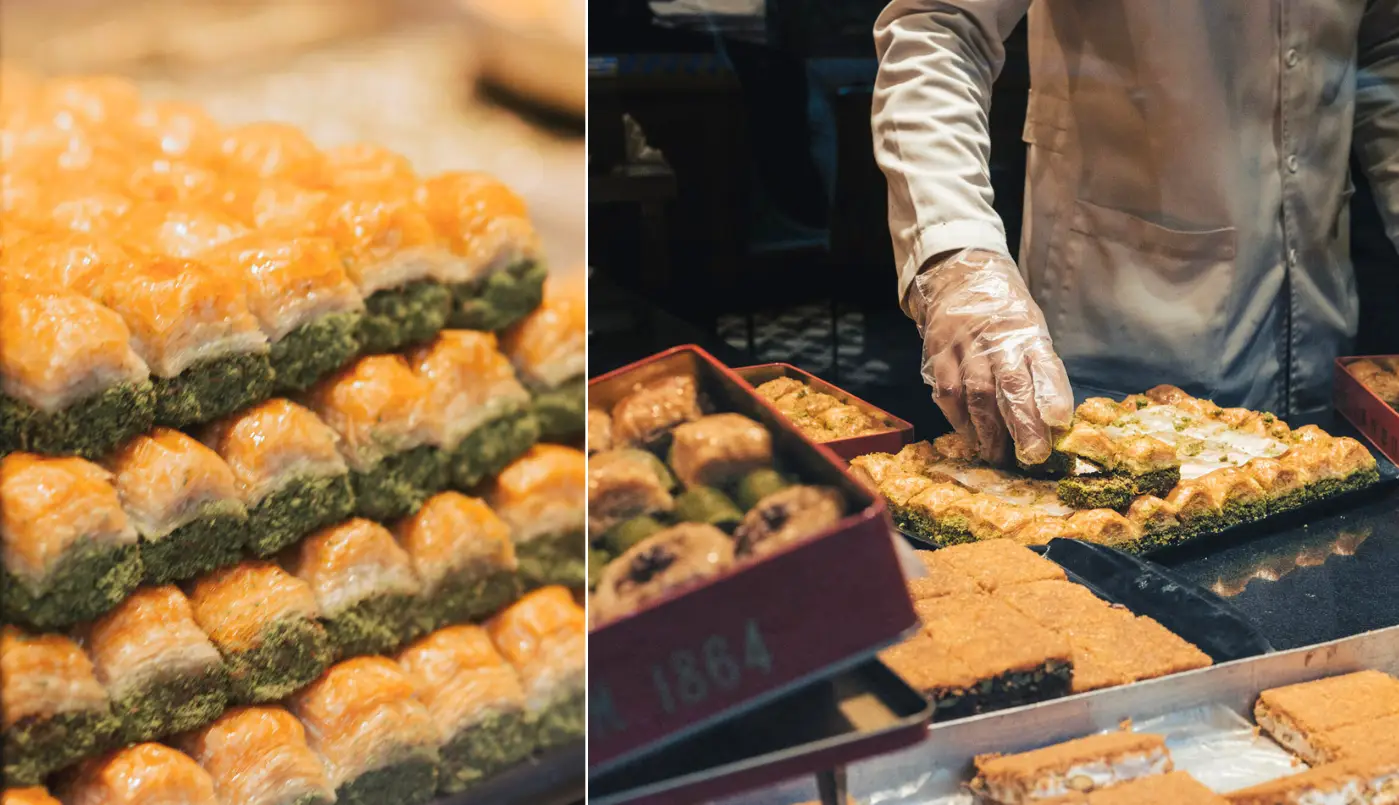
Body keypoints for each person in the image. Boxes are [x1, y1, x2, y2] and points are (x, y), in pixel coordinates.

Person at [872, 1, 1399, 466]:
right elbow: (940, 25)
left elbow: (1386, 45)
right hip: (1115, 331)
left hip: (1322, 330)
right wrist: (958, 256)